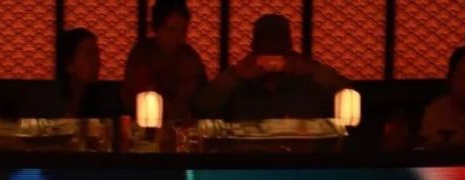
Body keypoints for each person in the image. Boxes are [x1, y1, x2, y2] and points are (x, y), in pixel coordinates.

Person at [197, 13, 345, 121]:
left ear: (289, 46)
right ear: (254, 48)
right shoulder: (239, 85)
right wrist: (235, 75)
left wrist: (315, 71)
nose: (273, 46)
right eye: (267, 41)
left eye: (279, 41)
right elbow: (202, 106)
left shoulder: (307, 84)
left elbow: (349, 98)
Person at [122, 0, 207, 121]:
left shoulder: (189, 56)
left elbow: (202, 100)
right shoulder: (142, 55)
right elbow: (133, 100)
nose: (177, 37)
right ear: (157, 29)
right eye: (170, 30)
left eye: (182, 31)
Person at [50, 28, 116, 118]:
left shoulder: (106, 102)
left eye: (96, 54)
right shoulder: (51, 103)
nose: (96, 61)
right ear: (69, 65)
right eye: (88, 54)